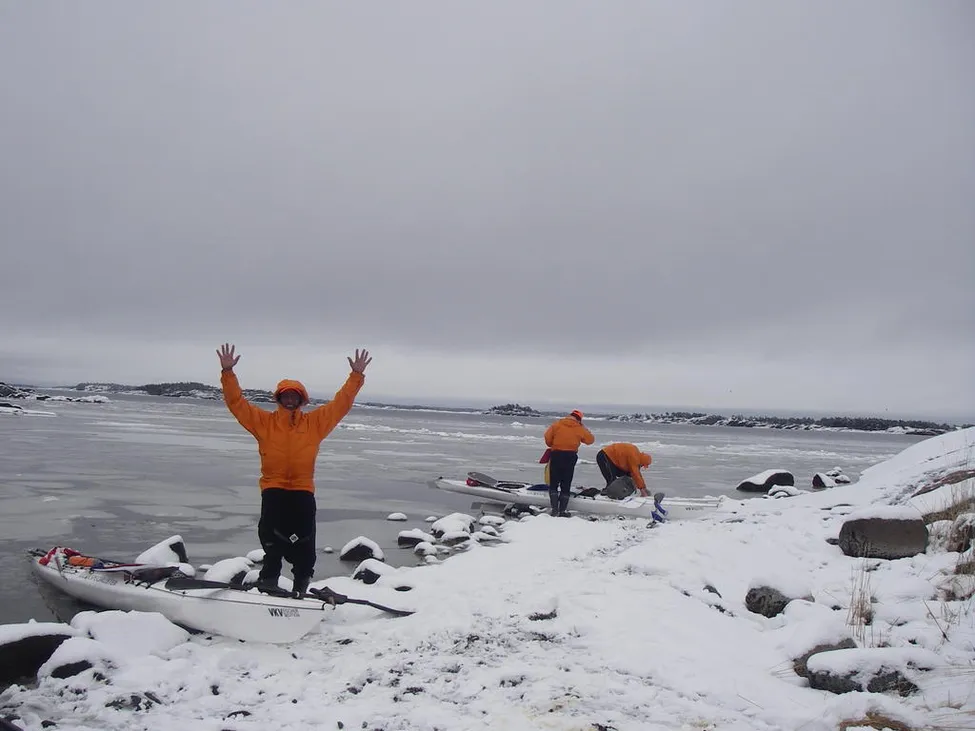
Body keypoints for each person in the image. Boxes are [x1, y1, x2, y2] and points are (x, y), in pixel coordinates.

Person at [216, 342, 371, 596]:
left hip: (302, 489)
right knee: (270, 534)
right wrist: (228, 373)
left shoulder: (315, 424)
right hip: (273, 487)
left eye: (294, 396)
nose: (290, 400)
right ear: (279, 399)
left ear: (301, 399)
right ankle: (269, 579)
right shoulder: (264, 423)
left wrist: (356, 376)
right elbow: (236, 403)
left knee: (305, 539)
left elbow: (341, 403)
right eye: (285, 396)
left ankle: (301, 582)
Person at [543, 409, 594, 517]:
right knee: (566, 484)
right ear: (579, 419)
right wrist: (584, 428)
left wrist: (553, 444)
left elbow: (547, 438)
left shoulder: (557, 424)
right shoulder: (579, 428)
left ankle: (554, 510)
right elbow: (590, 440)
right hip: (570, 456)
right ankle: (562, 511)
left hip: (556, 454)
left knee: (554, 483)